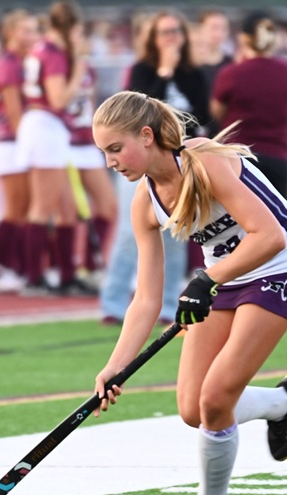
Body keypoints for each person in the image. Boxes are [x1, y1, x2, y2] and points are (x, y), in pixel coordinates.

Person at [91, 91, 287, 495]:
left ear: (147, 135)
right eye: (103, 153)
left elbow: (269, 237)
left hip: (279, 267)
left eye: (116, 148)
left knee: (216, 399)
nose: (111, 161)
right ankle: (284, 403)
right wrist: (115, 367)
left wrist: (205, 279)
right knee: (193, 408)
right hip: (222, 280)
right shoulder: (145, 202)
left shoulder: (205, 163)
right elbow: (146, 299)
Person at [100, 9, 209, 325]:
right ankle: (114, 303)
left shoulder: (193, 74)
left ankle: (166, 307)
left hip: (175, 164)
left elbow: (202, 117)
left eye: (176, 31)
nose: (171, 37)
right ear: (153, 38)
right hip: (138, 163)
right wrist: (164, 71)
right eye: (164, 32)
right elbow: (139, 116)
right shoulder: (142, 70)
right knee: (128, 233)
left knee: (175, 238)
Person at [15, 1, 94, 296]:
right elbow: (59, 98)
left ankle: (65, 275)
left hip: (47, 126)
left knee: (66, 208)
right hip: (45, 124)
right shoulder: (53, 52)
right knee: (43, 206)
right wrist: (79, 72)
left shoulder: (42, 49)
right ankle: (34, 277)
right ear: (70, 27)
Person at [210, 12, 287, 199]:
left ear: (244, 39)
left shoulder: (232, 74)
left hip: (238, 157)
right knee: (277, 221)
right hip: (278, 156)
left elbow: (217, 111)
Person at [0, 10, 39, 294]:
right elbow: (14, 112)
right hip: (10, 143)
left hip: (22, 143)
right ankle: (1, 268)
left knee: (28, 208)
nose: (32, 36)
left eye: (34, 30)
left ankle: (19, 266)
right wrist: (28, 146)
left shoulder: (26, 63)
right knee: (16, 209)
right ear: (10, 33)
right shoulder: (8, 64)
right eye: (25, 30)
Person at [67, 46, 117, 286]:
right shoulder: (53, 61)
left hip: (85, 143)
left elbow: (90, 104)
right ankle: (62, 271)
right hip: (62, 143)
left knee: (107, 207)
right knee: (64, 213)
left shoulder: (87, 68)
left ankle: (90, 265)